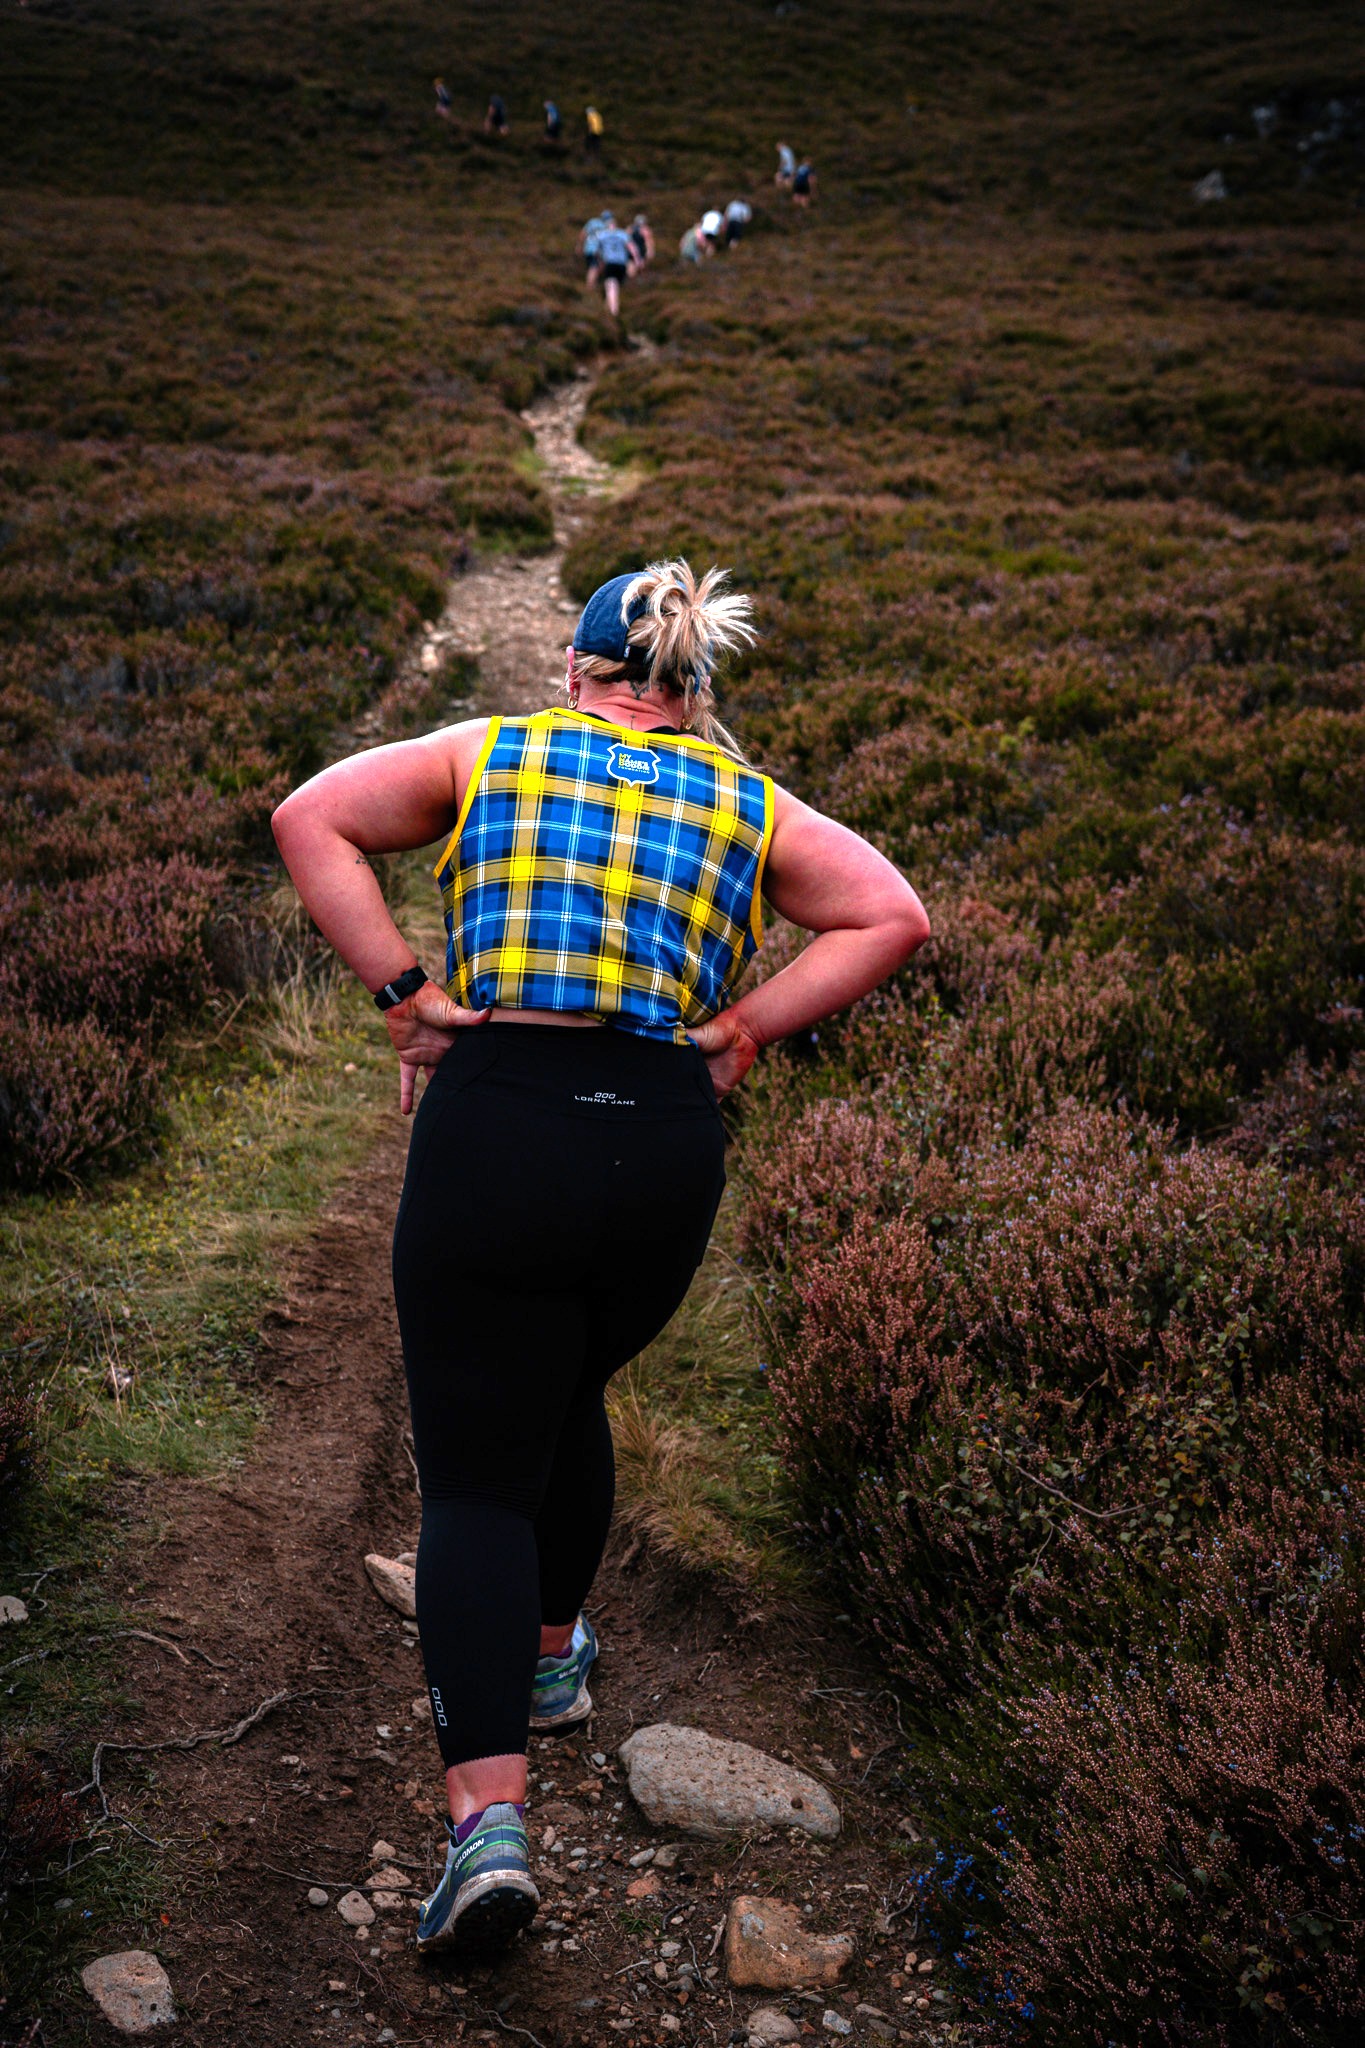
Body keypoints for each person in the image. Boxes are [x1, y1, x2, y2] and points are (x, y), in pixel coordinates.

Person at [270, 561, 930, 1956]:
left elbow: (309, 816)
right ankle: (557, 1656)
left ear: (577, 673)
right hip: (663, 1157)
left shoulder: (488, 750)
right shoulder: (754, 805)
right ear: (692, 695)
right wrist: (744, 1030)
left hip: (502, 1123)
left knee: (473, 1481)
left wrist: (405, 999)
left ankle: (487, 1836)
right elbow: (891, 915)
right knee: (566, 1385)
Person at [593, 218, 636, 317]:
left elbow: (596, 251)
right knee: (615, 287)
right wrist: (635, 261)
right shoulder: (623, 234)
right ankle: (607, 312)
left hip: (610, 263)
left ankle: (614, 312)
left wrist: (600, 263)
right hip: (621, 264)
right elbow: (632, 248)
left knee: (611, 287)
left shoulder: (602, 235)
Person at [577, 208, 613, 278]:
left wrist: (579, 246)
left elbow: (583, 234)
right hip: (598, 250)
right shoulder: (608, 226)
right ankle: (590, 285)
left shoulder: (592, 222)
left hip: (588, 249)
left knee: (595, 267)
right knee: (594, 267)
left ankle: (593, 282)